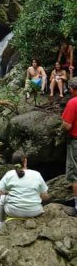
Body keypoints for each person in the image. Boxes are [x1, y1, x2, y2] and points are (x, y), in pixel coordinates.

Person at [0, 151, 49, 222]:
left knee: (3, 197)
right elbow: (45, 197)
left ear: (13, 163)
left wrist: (7, 193)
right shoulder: (37, 174)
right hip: (35, 211)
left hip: (14, 211)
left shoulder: (9, 174)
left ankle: (1, 222)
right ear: (25, 161)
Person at [61, 77, 77, 217]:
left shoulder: (73, 102)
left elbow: (67, 125)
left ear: (72, 89)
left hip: (76, 142)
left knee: (75, 176)